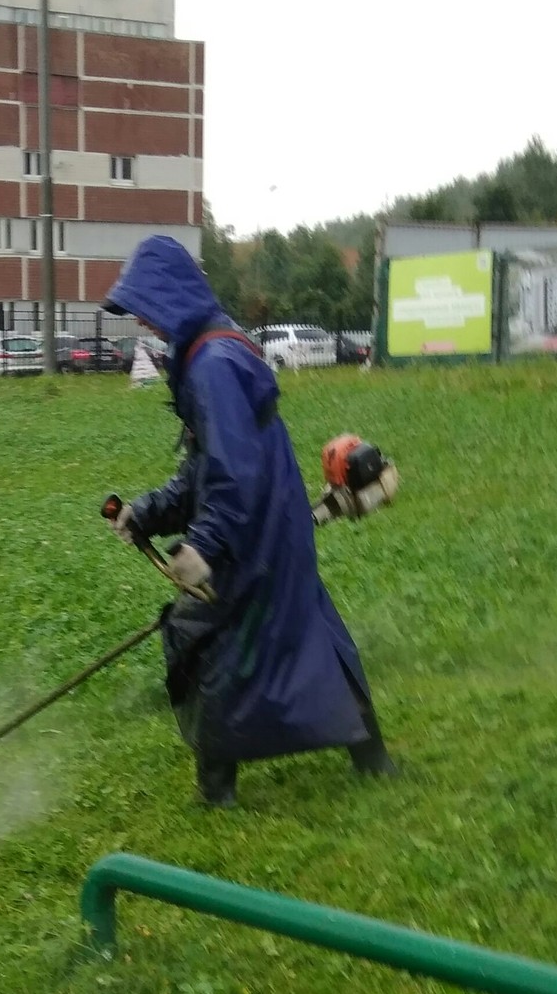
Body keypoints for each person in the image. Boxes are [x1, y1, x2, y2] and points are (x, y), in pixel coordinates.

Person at [104, 234, 395, 807]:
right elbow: (206, 465)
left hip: (252, 531)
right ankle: (372, 760)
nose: (144, 323)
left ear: (169, 297)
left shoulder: (212, 364)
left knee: (203, 639)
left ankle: (218, 792)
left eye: (146, 309)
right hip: (269, 523)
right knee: (306, 630)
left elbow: (231, 469)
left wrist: (205, 544)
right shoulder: (208, 352)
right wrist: (149, 513)